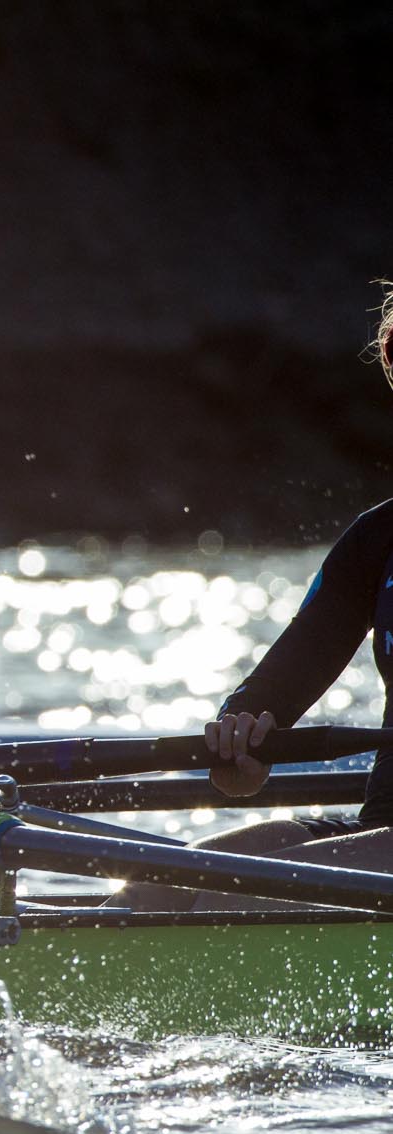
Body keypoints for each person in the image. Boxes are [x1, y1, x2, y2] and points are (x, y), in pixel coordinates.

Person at [131, 283, 393, 905]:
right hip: (380, 831)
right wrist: (239, 742)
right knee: (151, 890)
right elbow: (270, 696)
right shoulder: (379, 539)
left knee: (235, 900)